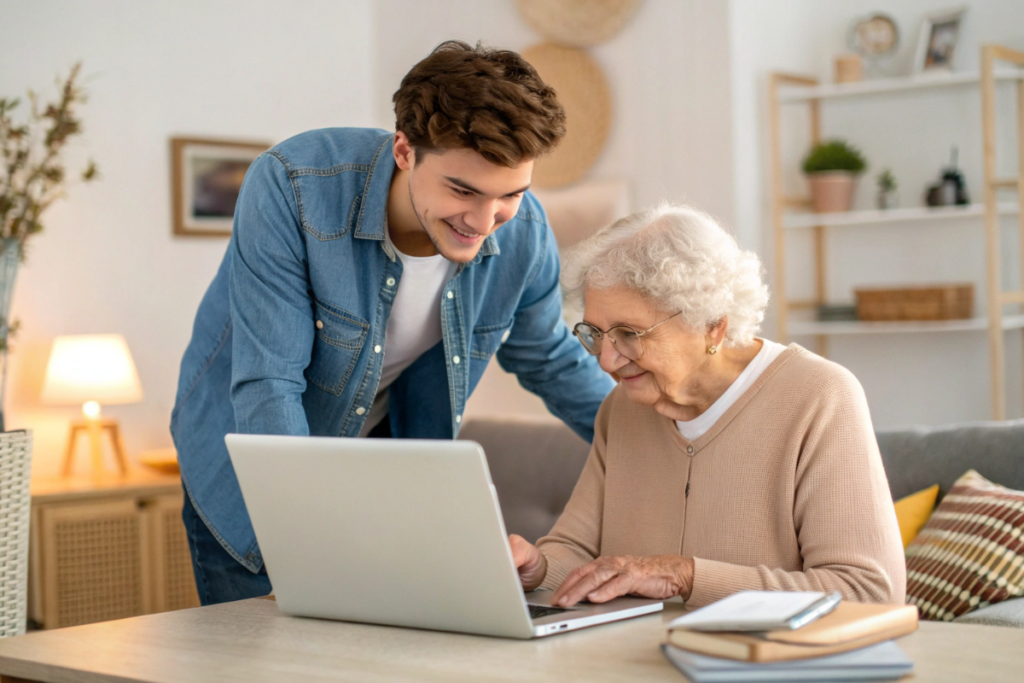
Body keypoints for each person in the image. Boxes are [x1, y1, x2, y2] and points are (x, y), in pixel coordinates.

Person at [172, 41, 615, 606]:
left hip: (385, 470)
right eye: (463, 190)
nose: (484, 222)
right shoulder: (293, 187)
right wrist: (308, 541)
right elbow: (270, 384)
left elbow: (548, 357)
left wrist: (650, 441)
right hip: (255, 473)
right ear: (405, 150)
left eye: (509, 195)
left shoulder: (522, 230)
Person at [510, 203, 906, 608]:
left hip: (760, 666)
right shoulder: (622, 408)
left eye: (630, 333)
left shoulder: (819, 396)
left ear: (713, 325)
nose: (606, 360)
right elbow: (575, 553)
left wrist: (685, 576)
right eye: (595, 333)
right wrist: (536, 567)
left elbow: (868, 591)